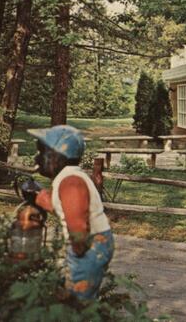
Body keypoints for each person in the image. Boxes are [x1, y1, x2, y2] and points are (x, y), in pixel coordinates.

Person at [27, 125, 114, 301]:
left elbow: (78, 227)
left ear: (57, 156)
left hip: (88, 247)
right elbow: (70, 209)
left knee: (77, 303)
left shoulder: (71, 182)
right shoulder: (68, 177)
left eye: (42, 152)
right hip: (89, 244)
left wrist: (76, 258)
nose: (37, 157)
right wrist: (45, 201)